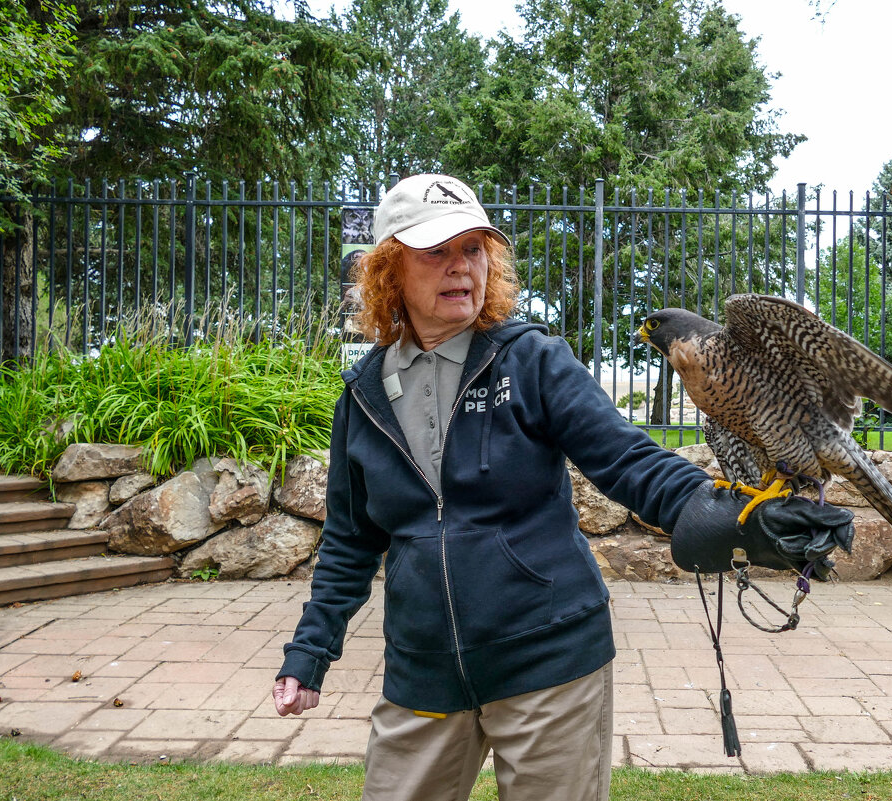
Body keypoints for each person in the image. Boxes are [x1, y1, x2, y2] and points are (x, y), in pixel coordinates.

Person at [273, 173, 854, 801]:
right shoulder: (362, 396)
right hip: (424, 674)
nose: (460, 267)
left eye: (472, 249)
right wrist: (311, 651)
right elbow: (350, 539)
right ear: (389, 270)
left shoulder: (531, 360)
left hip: (549, 666)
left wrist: (719, 510)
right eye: (435, 251)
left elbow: (624, 456)